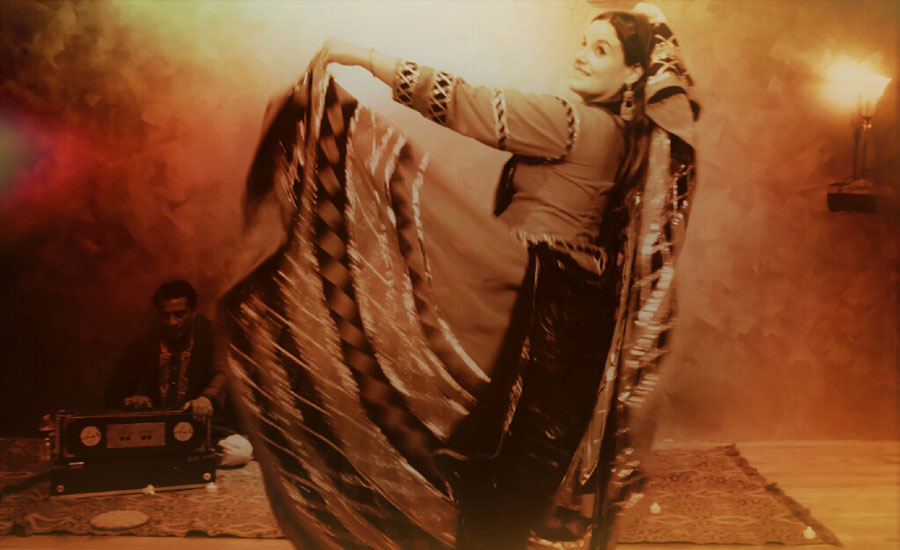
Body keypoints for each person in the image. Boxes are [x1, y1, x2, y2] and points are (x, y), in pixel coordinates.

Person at [226, 3, 697, 549]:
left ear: (634, 73)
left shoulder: (575, 123)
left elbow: (470, 104)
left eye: (601, 50)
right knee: (517, 460)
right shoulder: (627, 138)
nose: (582, 56)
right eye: (583, 43)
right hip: (574, 305)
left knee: (495, 455)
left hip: (540, 304)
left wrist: (365, 57)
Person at [105, 280, 253, 467]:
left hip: (199, 427)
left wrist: (206, 398)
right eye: (165, 316)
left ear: (192, 312)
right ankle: (187, 460)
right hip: (155, 429)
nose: (172, 322)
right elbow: (113, 393)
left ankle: (174, 459)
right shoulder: (144, 343)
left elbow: (222, 372)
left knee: (241, 451)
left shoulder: (209, 336)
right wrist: (131, 399)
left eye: (179, 314)